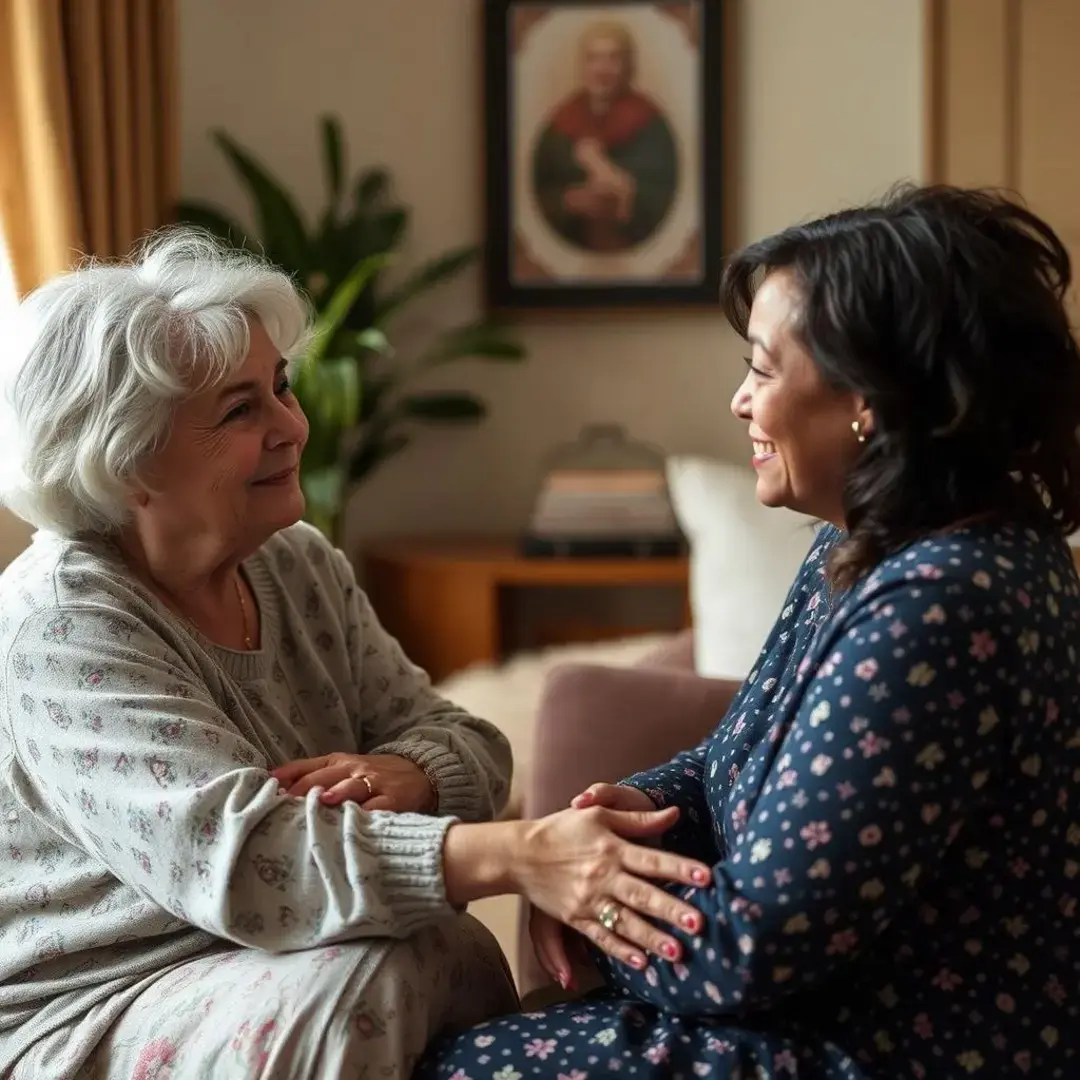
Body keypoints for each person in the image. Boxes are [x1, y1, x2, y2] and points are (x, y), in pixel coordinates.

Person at [0, 231, 713, 1079]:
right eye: (240, 411)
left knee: (438, 946)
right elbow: (250, 863)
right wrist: (522, 856)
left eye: (282, 387)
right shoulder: (59, 622)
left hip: (275, 960)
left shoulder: (294, 561)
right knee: (378, 974)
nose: (292, 426)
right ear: (125, 463)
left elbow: (468, 741)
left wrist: (411, 775)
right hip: (93, 1005)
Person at [415, 185, 1080, 1079]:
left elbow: (751, 950)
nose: (738, 400)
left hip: (894, 1048)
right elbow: (728, 760)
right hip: (816, 1013)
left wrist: (586, 893)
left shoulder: (944, 605)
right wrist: (605, 830)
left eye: (763, 369)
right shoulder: (861, 544)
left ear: (868, 401)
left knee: (445, 1062)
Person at [532, 21, 677, 253]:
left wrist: (625, 193)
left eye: (613, 58)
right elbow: (538, 195)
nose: (602, 69)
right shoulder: (559, 126)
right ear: (582, 65)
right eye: (594, 58)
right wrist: (568, 202)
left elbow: (665, 197)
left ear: (628, 67)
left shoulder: (651, 126)